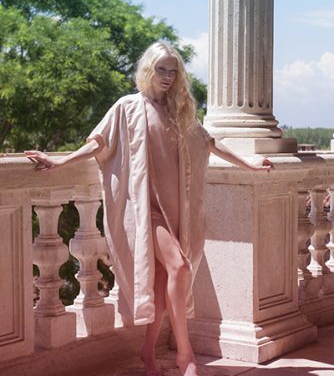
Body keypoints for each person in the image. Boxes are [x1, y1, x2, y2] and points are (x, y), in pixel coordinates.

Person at [25, 42, 274, 376]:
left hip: (176, 214)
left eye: (173, 71)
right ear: (148, 70)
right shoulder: (127, 107)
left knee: (160, 288)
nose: (167, 77)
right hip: (146, 213)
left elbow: (209, 143)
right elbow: (99, 142)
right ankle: (186, 356)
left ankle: (148, 352)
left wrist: (250, 165)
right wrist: (59, 161)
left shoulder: (178, 112)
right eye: (161, 70)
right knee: (180, 267)